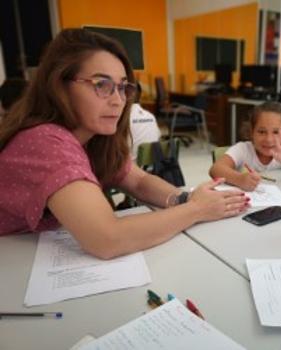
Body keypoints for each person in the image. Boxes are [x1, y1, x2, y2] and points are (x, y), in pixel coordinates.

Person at [0, 28, 249, 259]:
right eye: (102, 85)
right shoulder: (46, 141)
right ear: (59, 86)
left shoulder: (93, 138)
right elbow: (107, 238)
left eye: (122, 87)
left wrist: (185, 198)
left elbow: (139, 181)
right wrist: (196, 210)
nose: (118, 100)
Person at [209, 102, 281, 191]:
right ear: (252, 132)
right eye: (262, 132)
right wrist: (239, 179)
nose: (268, 139)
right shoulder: (243, 149)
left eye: (275, 132)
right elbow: (215, 169)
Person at [129, 82, 161, 162]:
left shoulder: (122, 119)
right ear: (140, 96)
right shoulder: (150, 116)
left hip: (132, 169)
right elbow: (158, 136)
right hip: (152, 166)